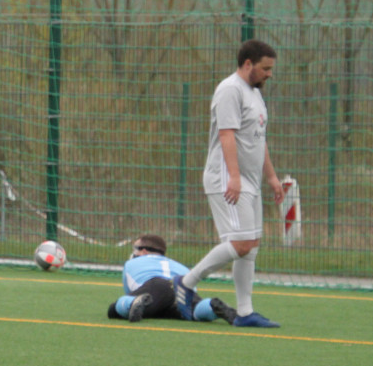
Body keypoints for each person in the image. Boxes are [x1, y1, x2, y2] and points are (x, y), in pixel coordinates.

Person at [174, 39, 285, 328]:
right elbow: (226, 136)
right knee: (241, 242)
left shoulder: (255, 94)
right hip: (227, 178)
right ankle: (186, 282)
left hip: (248, 180)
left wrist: (271, 177)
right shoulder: (229, 90)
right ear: (248, 64)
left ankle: (245, 313)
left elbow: (258, 140)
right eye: (265, 68)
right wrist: (234, 177)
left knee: (252, 245)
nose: (269, 74)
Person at [106, 234, 236, 324]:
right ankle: (210, 307)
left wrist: (138, 300)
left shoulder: (131, 263)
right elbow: (191, 289)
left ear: (144, 251)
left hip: (155, 286)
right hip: (181, 285)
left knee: (114, 309)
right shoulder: (181, 266)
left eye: (135, 248)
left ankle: (134, 302)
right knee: (194, 312)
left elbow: (129, 290)